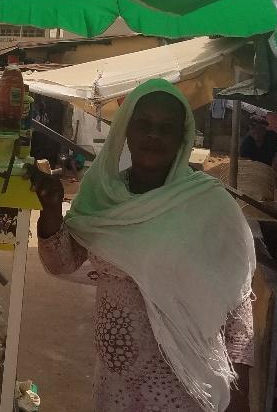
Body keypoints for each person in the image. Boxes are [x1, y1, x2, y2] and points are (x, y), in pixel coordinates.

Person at [30, 80, 255, 412]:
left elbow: (237, 301)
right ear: (126, 130)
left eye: (166, 128)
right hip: (114, 387)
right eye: (144, 124)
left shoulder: (208, 203)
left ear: (182, 138)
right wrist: (50, 213)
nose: (154, 135)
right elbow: (62, 263)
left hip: (182, 387)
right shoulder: (102, 195)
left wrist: (240, 393)